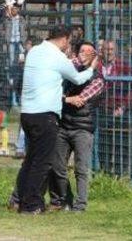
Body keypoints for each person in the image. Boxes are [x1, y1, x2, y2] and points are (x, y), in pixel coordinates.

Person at [14, 26, 99, 214]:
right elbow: (77, 78)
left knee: (31, 161)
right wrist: (92, 68)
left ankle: (19, 200)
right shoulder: (58, 57)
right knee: (42, 163)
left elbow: (60, 68)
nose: (68, 45)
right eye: (69, 41)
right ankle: (32, 205)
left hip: (27, 113)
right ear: (64, 39)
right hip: (45, 115)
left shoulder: (34, 51)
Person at [50, 42, 105, 212]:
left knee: (81, 169)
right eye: (81, 51)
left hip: (83, 128)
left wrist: (67, 97)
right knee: (57, 166)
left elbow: (81, 99)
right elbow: (58, 92)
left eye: (89, 52)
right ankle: (64, 199)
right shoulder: (70, 73)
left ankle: (80, 205)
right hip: (64, 125)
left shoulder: (97, 78)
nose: (84, 54)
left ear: (95, 56)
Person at [97, 40, 132, 175]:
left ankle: (119, 173)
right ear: (102, 50)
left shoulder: (123, 67)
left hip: (119, 109)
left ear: (116, 51)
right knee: (103, 142)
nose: (109, 52)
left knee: (120, 142)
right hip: (101, 109)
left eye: (111, 49)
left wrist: (123, 106)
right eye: (106, 49)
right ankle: (104, 171)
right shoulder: (96, 66)